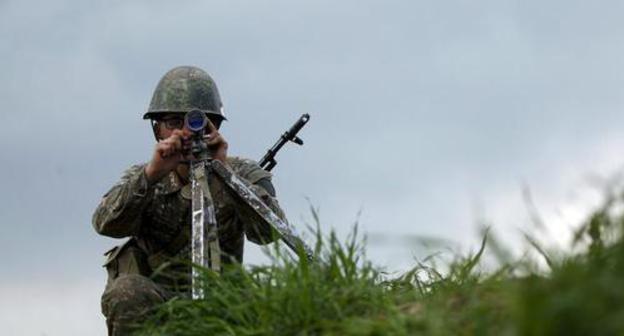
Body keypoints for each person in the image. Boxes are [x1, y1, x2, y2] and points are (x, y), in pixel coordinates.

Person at [92, 66, 286, 335]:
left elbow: (270, 233)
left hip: (224, 299)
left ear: (214, 127)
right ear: (157, 128)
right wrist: (153, 173)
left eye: (196, 123)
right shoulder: (145, 176)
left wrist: (225, 174)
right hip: (158, 297)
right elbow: (105, 224)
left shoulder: (242, 174)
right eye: (173, 122)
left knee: (276, 302)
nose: (185, 133)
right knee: (127, 292)